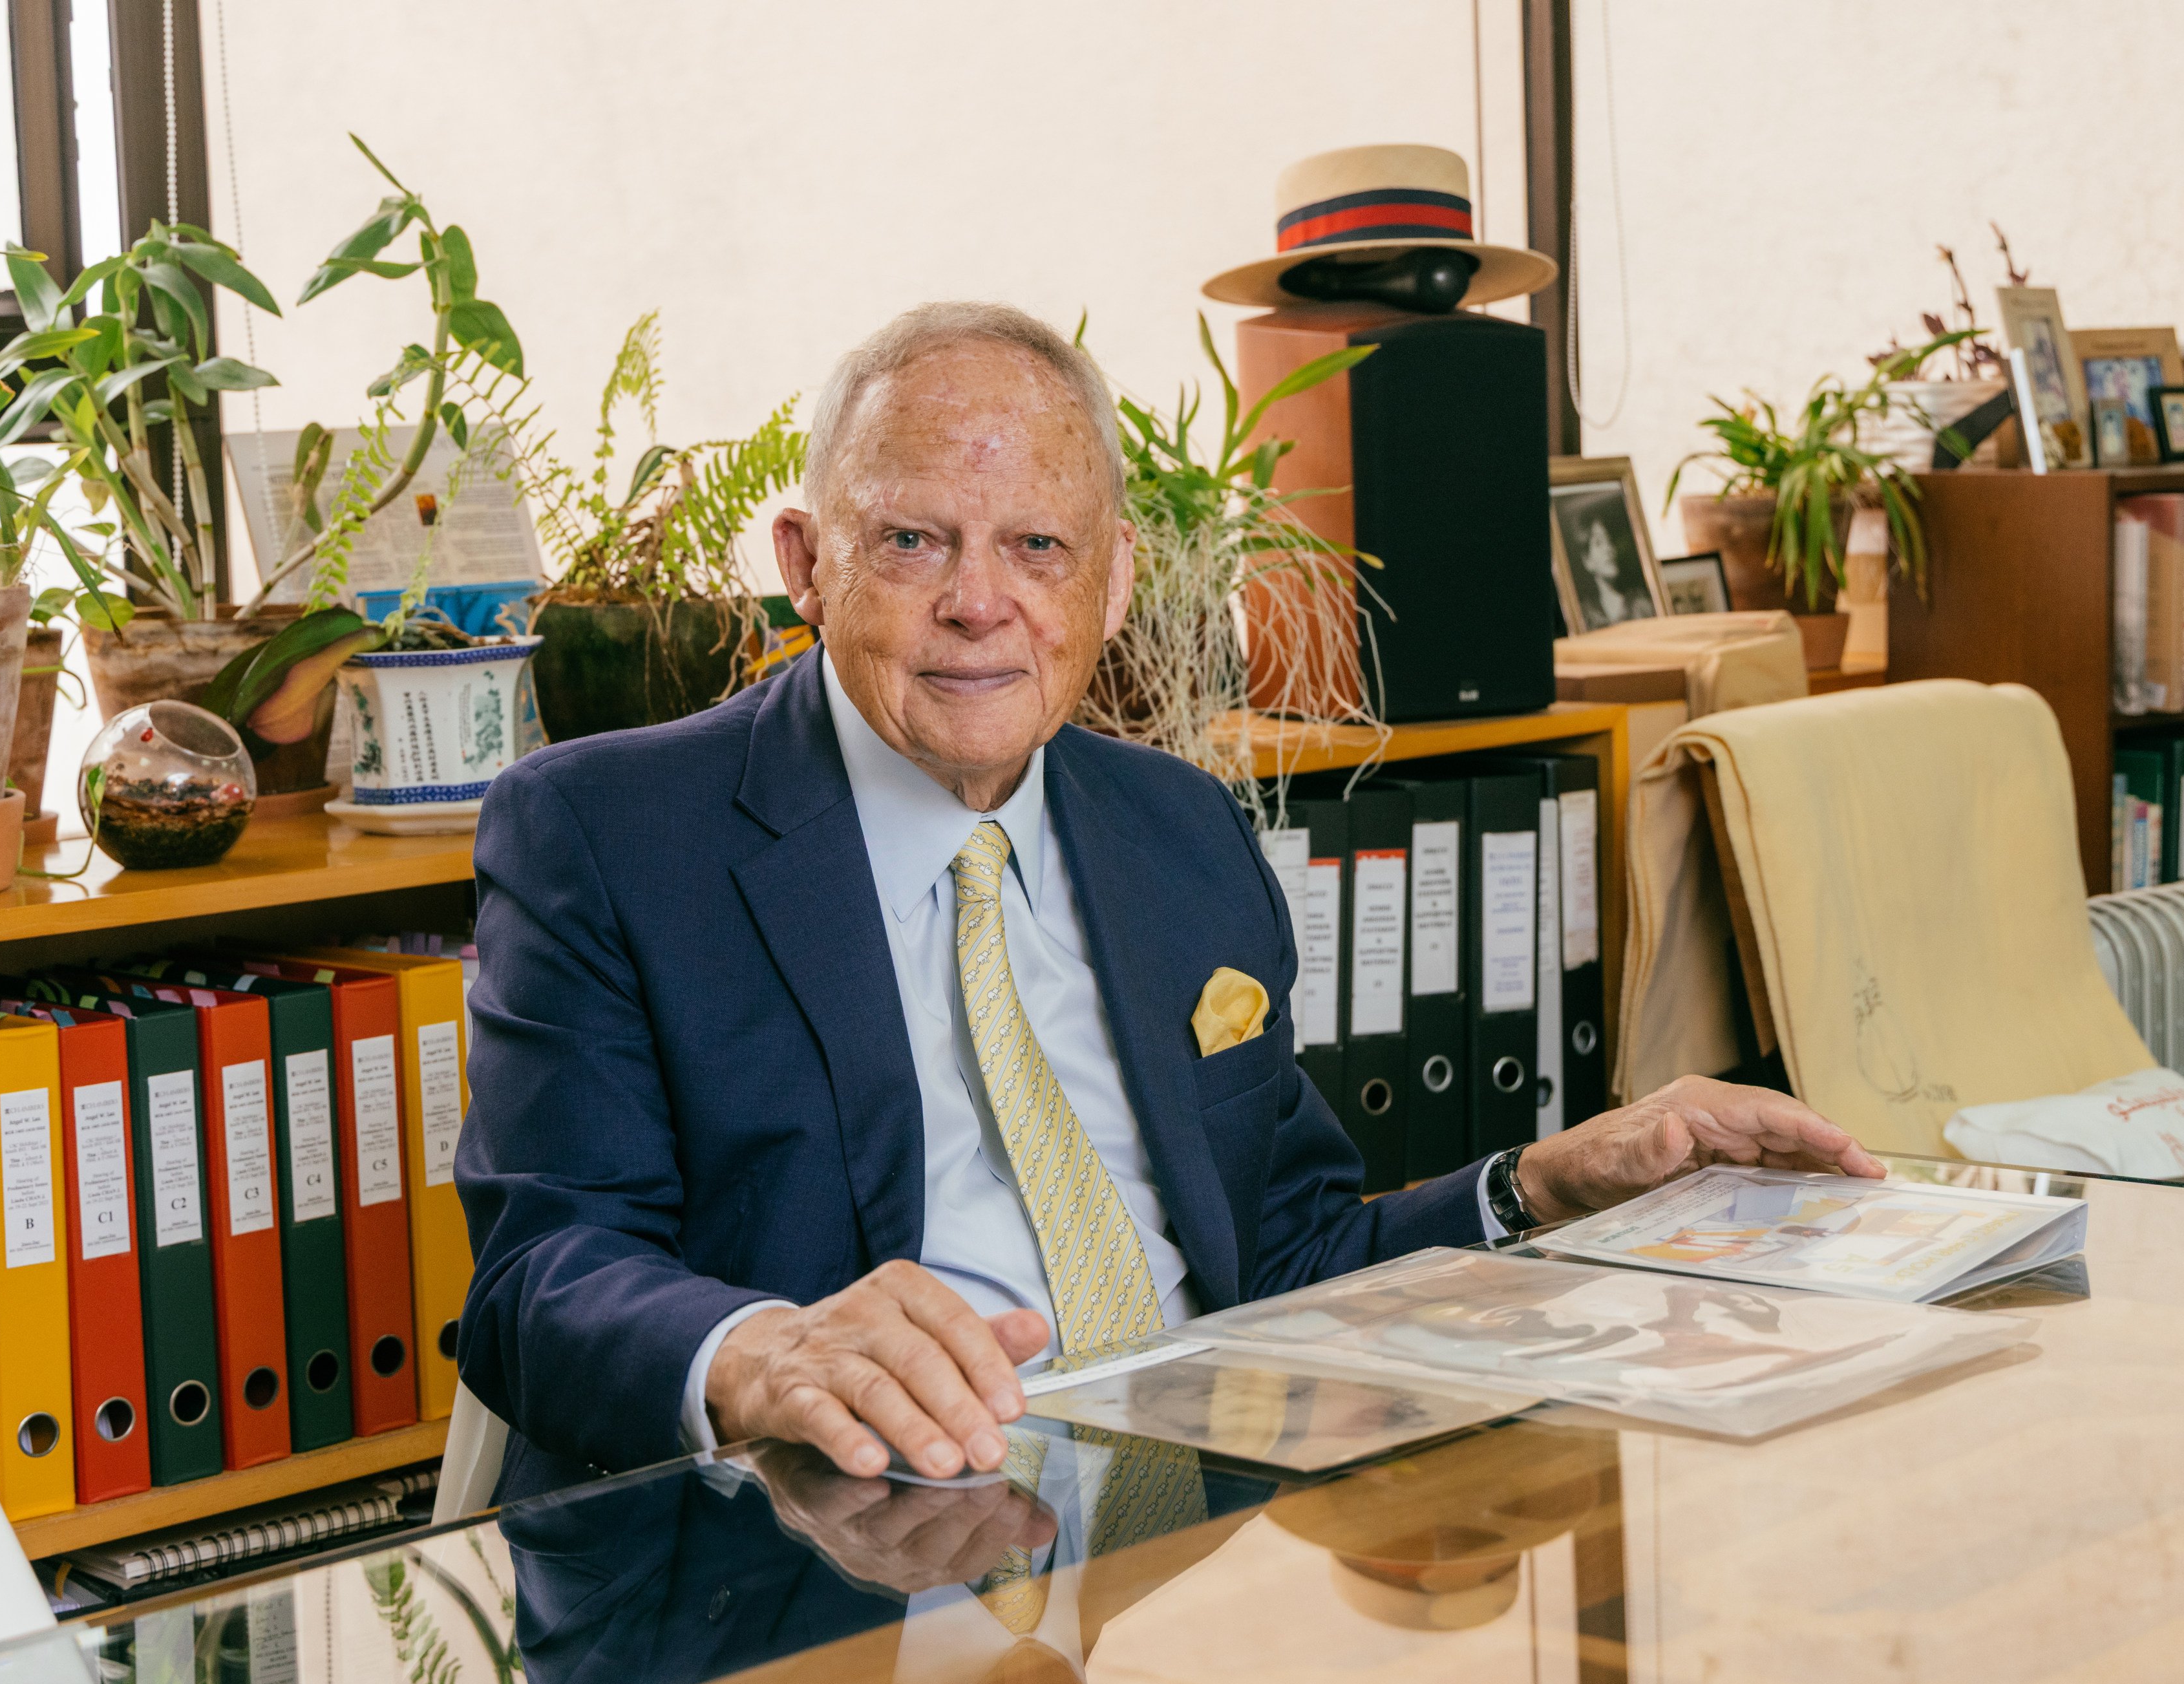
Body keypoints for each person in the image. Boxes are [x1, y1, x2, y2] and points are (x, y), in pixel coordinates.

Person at [455, 300, 1882, 1506]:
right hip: (824, 1564)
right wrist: (758, 1351)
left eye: (1036, 547)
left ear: (1116, 580)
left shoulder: (1180, 828)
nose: (977, 602)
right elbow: (541, 1281)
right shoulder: (606, 833)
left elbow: (1288, 1257)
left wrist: (1538, 1185)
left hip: (1189, 1557)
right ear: (803, 563)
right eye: (909, 542)